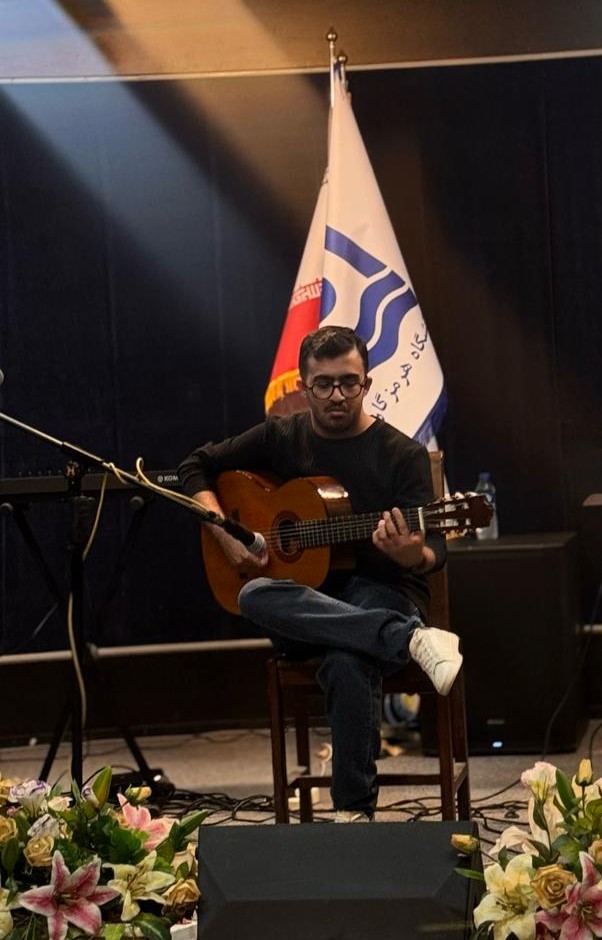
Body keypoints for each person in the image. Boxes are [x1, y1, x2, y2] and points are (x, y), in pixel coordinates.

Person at [178, 325, 462, 822]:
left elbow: (434, 551)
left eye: (349, 382)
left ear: (367, 382)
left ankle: (352, 816)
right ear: (303, 385)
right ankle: (408, 638)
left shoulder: (403, 455)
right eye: (324, 384)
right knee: (253, 594)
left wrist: (408, 552)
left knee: (348, 658)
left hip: (383, 591)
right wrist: (224, 531)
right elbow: (194, 465)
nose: (337, 395)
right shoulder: (282, 437)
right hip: (303, 603)